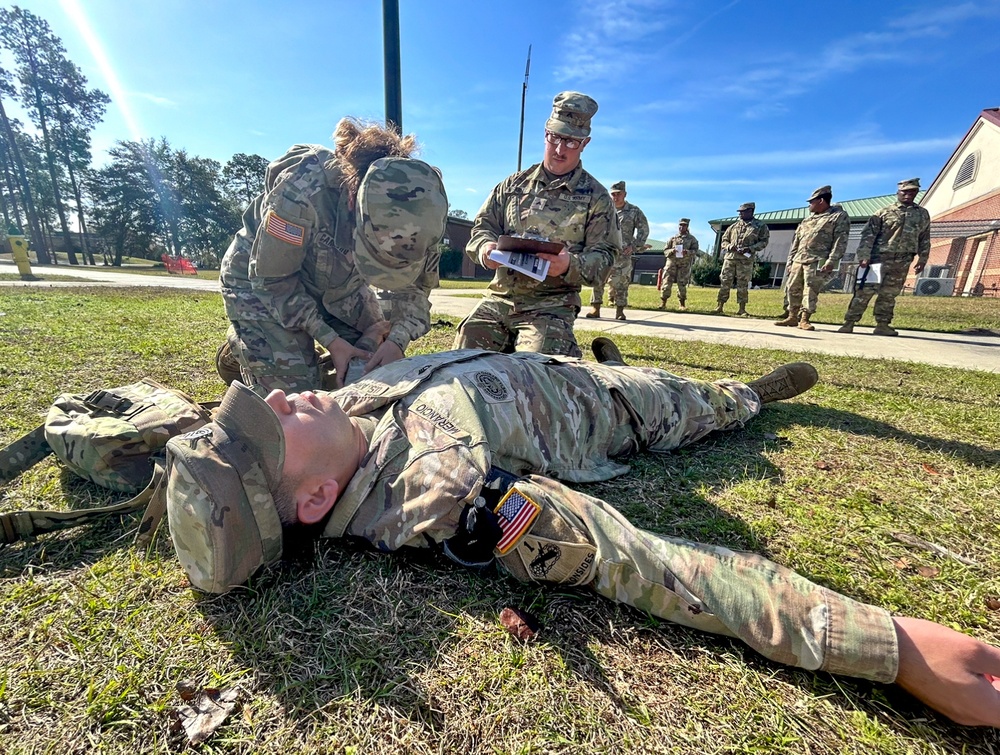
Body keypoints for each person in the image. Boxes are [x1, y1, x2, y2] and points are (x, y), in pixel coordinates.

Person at [164, 343, 1000, 729]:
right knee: (698, 405)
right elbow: (632, 558)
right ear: (315, 500)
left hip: (503, 360)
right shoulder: (442, 495)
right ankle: (750, 393)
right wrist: (890, 645)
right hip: (608, 405)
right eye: (268, 432)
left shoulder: (338, 419)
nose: (276, 399)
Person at [218, 118, 449, 394]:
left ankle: (277, 350)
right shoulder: (304, 188)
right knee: (297, 396)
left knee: (368, 374)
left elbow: (417, 292)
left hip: (340, 284)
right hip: (261, 282)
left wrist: (395, 342)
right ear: (353, 202)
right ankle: (251, 342)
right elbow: (273, 281)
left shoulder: (425, 213)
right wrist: (332, 341)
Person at [453, 92, 621, 357]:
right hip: (501, 298)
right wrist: (485, 248)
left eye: (571, 142)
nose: (559, 149)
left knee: (537, 370)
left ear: (585, 143)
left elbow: (606, 256)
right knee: (463, 356)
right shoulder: (512, 186)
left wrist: (569, 265)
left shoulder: (596, 198)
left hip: (551, 306)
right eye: (555, 137)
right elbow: (481, 228)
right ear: (545, 133)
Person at [838, 178, 931, 336]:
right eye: (905, 191)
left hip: (902, 260)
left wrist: (923, 258)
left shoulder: (922, 214)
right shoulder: (883, 212)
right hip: (877, 259)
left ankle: (882, 324)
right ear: (898, 192)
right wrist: (864, 255)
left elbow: (924, 237)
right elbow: (868, 235)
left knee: (889, 294)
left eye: (912, 191)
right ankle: (849, 322)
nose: (909, 195)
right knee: (864, 292)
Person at [774, 186, 849, 331]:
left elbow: (840, 241)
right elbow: (796, 241)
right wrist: (790, 261)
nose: (809, 205)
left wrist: (831, 260)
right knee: (792, 289)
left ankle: (804, 319)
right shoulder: (807, 220)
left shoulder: (837, 216)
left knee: (810, 290)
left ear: (821, 200)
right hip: (798, 259)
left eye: (811, 202)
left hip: (816, 261)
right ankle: (792, 316)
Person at [585, 181, 648, 321]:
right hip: (603, 250)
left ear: (625, 194)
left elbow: (644, 228)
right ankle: (596, 308)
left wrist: (635, 246)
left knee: (622, 282)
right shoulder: (603, 209)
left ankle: (620, 311)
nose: (615, 197)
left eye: (618, 194)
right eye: (613, 194)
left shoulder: (634, 211)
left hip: (622, 253)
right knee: (598, 279)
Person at [716, 202, 769, 316]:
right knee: (725, 281)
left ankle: (742, 308)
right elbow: (724, 240)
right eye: (739, 212)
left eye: (742, 212)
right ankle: (720, 306)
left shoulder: (760, 226)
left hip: (745, 260)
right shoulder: (734, 226)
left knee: (743, 284)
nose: (740, 214)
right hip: (730, 258)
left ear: (750, 211)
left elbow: (764, 241)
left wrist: (750, 248)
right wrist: (729, 246)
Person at [659, 218, 699, 311]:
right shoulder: (673, 238)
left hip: (684, 264)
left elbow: (695, 251)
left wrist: (687, 252)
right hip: (671, 263)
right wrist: (672, 250)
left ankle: (682, 304)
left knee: (682, 283)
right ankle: (663, 303)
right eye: (680, 225)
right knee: (666, 282)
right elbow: (665, 250)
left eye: (684, 225)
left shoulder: (692, 239)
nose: (682, 227)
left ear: (687, 227)